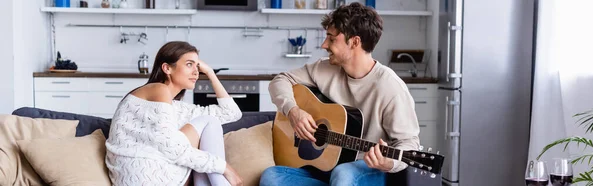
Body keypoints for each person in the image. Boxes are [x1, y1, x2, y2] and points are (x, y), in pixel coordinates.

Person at [260, 2, 420, 186]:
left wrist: (388, 162)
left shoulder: (391, 87)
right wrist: (293, 111)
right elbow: (280, 80)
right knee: (271, 176)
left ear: (355, 42)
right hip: (323, 167)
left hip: (363, 170)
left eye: (331, 38)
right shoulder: (323, 68)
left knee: (343, 174)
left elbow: (409, 143)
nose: (323, 44)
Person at [105, 41, 244, 186]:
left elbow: (232, 113)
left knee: (209, 121)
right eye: (189, 64)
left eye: (198, 66)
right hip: (144, 176)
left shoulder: (177, 107)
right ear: (167, 68)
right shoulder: (157, 90)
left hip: (159, 171)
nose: (196, 72)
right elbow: (171, 147)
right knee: (208, 123)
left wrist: (210, 72)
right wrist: (224, 168)